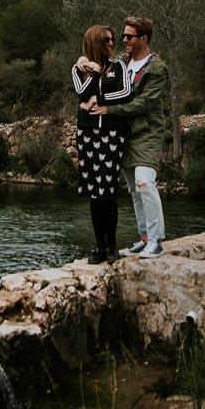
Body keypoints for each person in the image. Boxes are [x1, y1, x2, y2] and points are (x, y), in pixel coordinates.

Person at [89, 16, 170, 259]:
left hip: (147, 132)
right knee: (134, 189)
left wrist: (109, 109)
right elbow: (100, 72)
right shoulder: (122, 64)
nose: (124, 40)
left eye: (129, 36)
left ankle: (156, 240)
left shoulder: (156, 68)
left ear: (143, 39)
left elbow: (145, 103)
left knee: (145, 183)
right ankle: (144, 237)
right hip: (125, 134)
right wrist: (85, 61)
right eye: (123, 36)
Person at [71, 25, 135, 264]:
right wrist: (95, 73)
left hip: (112, 132)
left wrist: (99, 98)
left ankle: (112, 245)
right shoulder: (79, 69)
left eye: (113, 40)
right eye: (106, 40)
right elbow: (80, 93)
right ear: (95, 41)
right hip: (87, 132)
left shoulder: (119, 67)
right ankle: (98, 247)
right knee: (93, 193)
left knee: (107, 190)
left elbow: (127, 93)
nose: (112, 43)